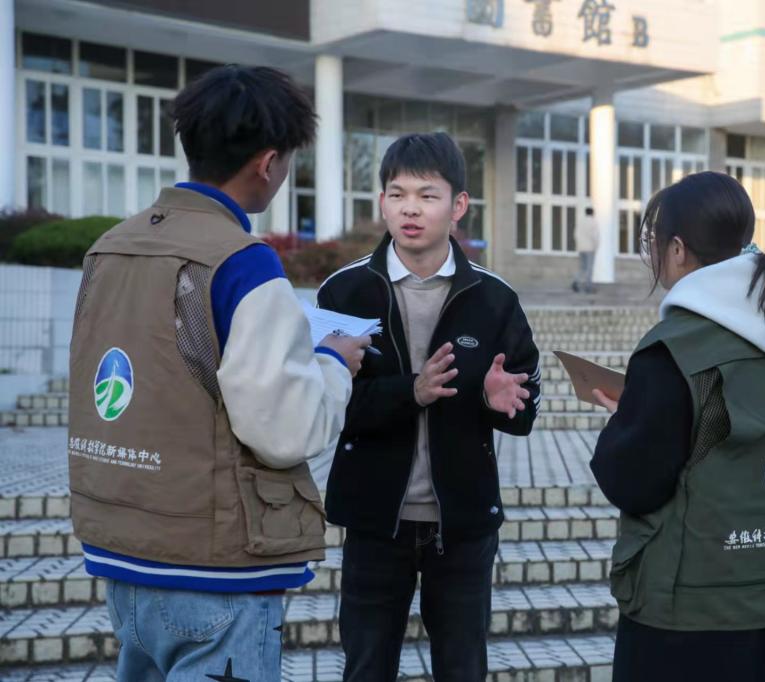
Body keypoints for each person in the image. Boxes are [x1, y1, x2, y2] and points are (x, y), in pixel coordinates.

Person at [66, 66, 369, 682]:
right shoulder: (242, 263)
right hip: (213, 569)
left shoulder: (109, 247)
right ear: (268, 163)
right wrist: (335, 363)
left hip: (122, 551)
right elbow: (284, 431)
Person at [589, 171, 765, 682]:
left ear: (678, 249)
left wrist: (626, 423)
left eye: (654, 242)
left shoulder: (674, 348)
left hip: (694, 615)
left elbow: (633, 483)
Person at [317, 132, 541, 681]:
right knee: (366, 668)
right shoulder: (345, 292)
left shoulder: (494, 298)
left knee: (463, 668)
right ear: (381, 202)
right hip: (375, 521)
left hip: (462, 524)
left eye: (427, 195)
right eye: (397, 194)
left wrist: (495, 402)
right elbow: (324, 407)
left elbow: (526, 408)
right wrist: (410, 392)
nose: (410, 208)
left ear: (458, 205)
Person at [573, 206, 599, 293]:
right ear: (592, 213)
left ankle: (576, 281)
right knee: (589, 268)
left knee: (582, 267)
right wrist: (596, 246)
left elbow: (576, 234)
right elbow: (595, 235)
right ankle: (588, 287)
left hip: (581, 247)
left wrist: (578, 245)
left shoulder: (580, 221)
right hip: (590, 248)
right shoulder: (593, 222)